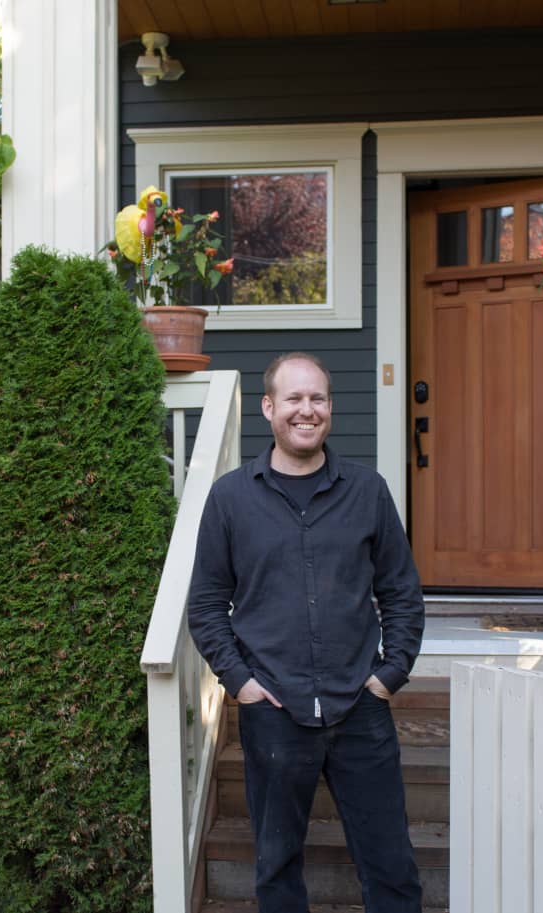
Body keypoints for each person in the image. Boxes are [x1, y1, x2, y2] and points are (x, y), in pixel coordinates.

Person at [188, 352, 425, 913]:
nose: (307, 410)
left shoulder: (367, 492)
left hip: (359, 707)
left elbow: (402, 592)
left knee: (391, 868)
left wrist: (390, 674)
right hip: (273, 709)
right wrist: (241, 683)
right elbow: (204, 604)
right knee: (276, 871)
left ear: (330, 408)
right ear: (269, 408)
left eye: (317, 398)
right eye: (294, 399)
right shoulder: (231, 498)